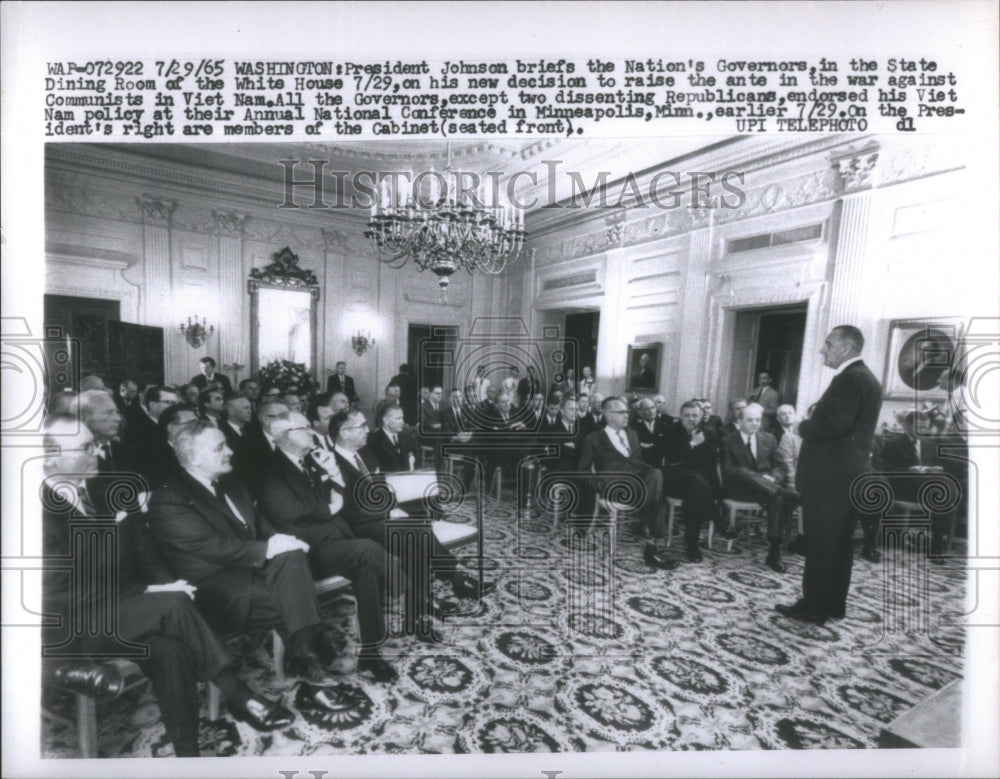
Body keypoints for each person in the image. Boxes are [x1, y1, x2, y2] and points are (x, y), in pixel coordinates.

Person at [41, 415, 294, 754]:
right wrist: (148, 594)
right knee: (172, 606)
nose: (98, 452)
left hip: (129, 613)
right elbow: (53, 594)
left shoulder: (107, 488)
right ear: (49, 457)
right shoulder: (30, 511)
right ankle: (238, 694)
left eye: (96, 444)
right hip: (73, 624)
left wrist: (169, 584)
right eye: (86, 447)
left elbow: (144, 551)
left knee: (169, 648)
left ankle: (187, 752)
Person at [147, 420, 341, 685]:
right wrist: (269, 547)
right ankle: (310, 654)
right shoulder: (169, 498)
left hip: (251, 568)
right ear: (194, 457)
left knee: (293, 556)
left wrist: (281, 539)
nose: (230, 451)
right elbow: (210, 546)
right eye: (219, 447)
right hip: (216, 585)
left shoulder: (230, 483)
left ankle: (305, 659)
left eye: (226, 444)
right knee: (295, 596)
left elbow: (258, 522)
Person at [257, 413, 402, 681]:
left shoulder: (313, 461)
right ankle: (407, 590)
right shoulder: (269, 470)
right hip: (307, 554)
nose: (311, 431)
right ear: (286, 437)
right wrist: (329, 506)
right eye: (304, 428)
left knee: (368, 570)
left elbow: (337, 498)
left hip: (335, 542)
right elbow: (292, 512)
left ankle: (370, 655)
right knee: (368, 548)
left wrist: (333, 473)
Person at [328, 409, 494, 607]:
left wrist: (392, 508)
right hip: (360, 526)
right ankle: (454, 578)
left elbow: (384, 488)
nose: (367, 430)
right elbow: (346, 507)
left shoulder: (365, 454)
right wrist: (388, 512)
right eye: (362, 426)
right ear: (344, 432)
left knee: (413, 538)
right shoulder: (330, 463)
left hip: (383, 518)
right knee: (415, 532)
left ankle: (425, 598)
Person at [776, 325, 882, 625]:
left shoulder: (848, 379)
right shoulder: (869, 379)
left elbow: (833, 426)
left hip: (830, 479)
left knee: (822, 543)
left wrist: (802, 426)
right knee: (841, 543)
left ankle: (813, 607)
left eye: (829, 344)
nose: (823, 349)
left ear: (846, 348)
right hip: (849, 476)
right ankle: (834, 603)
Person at [578, 396, 676, 570]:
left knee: (656, 473)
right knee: (656, 494)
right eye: (622, 412)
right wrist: (599, 485)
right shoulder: (593, 438)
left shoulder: (633, 434)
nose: (627, 415)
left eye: (627, 412)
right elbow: (583, 471)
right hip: (614, 485)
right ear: (608, 414)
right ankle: (650, 542)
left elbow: (637, 462)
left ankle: (650, 543)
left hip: (637, 485)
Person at [720, 402, 795, 573]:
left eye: (757, 420)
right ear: (740, 421)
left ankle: (774, 554)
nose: (754, 423)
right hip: (740, 490)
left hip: (766, 490)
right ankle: (785, 493)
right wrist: (757, 479)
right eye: (749, 420)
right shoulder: (727, 441)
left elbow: (780, 467)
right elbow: (728, 472)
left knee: (777, 499)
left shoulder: (769, 439)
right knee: (740, 471)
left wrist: (773, 477)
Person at [662, 400, 724, 564]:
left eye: (695, 416)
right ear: (680, 417)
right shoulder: (670, 431)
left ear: (701, 416)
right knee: (696, 484)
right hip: (675, 481)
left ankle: (692, 545)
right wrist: (692, 444)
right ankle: (717, 520)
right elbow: (670, 459)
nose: (691, 419)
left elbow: (712, 464)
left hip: (700, 482)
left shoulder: (710, 433)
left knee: (695, 490)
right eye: (687, 416)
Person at [367, 405, 419, 472]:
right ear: (385, 420)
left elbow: (417, 460)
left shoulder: (407, 437)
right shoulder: (373, 441)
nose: (402, 422)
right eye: (398, 418)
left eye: (402, 418)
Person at [630, 397, 668, 468]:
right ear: (641, 412)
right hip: (641, 465)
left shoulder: (664, 426)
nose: (651, 411)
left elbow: (666, 446)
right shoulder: (634, 427)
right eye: (647, 409)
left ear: (656, 409)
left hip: (660, 464)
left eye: (652, 408)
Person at [747, 371, 780, 435]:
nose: (761, 380)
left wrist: (760, 409)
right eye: (760, 378)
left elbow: (773, 411)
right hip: (751, 422)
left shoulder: (773, 393)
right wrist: (749, 400)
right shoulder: (754, 391)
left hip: (763, 424)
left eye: (764, 378)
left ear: (770, 380)